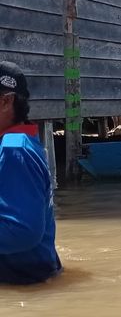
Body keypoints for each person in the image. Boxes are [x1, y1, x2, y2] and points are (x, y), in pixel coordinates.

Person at [0, 61, 62, 284]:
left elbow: (23, 232)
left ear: (6, 101)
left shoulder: (14, 148)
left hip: (22, 281)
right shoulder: (18, 144)